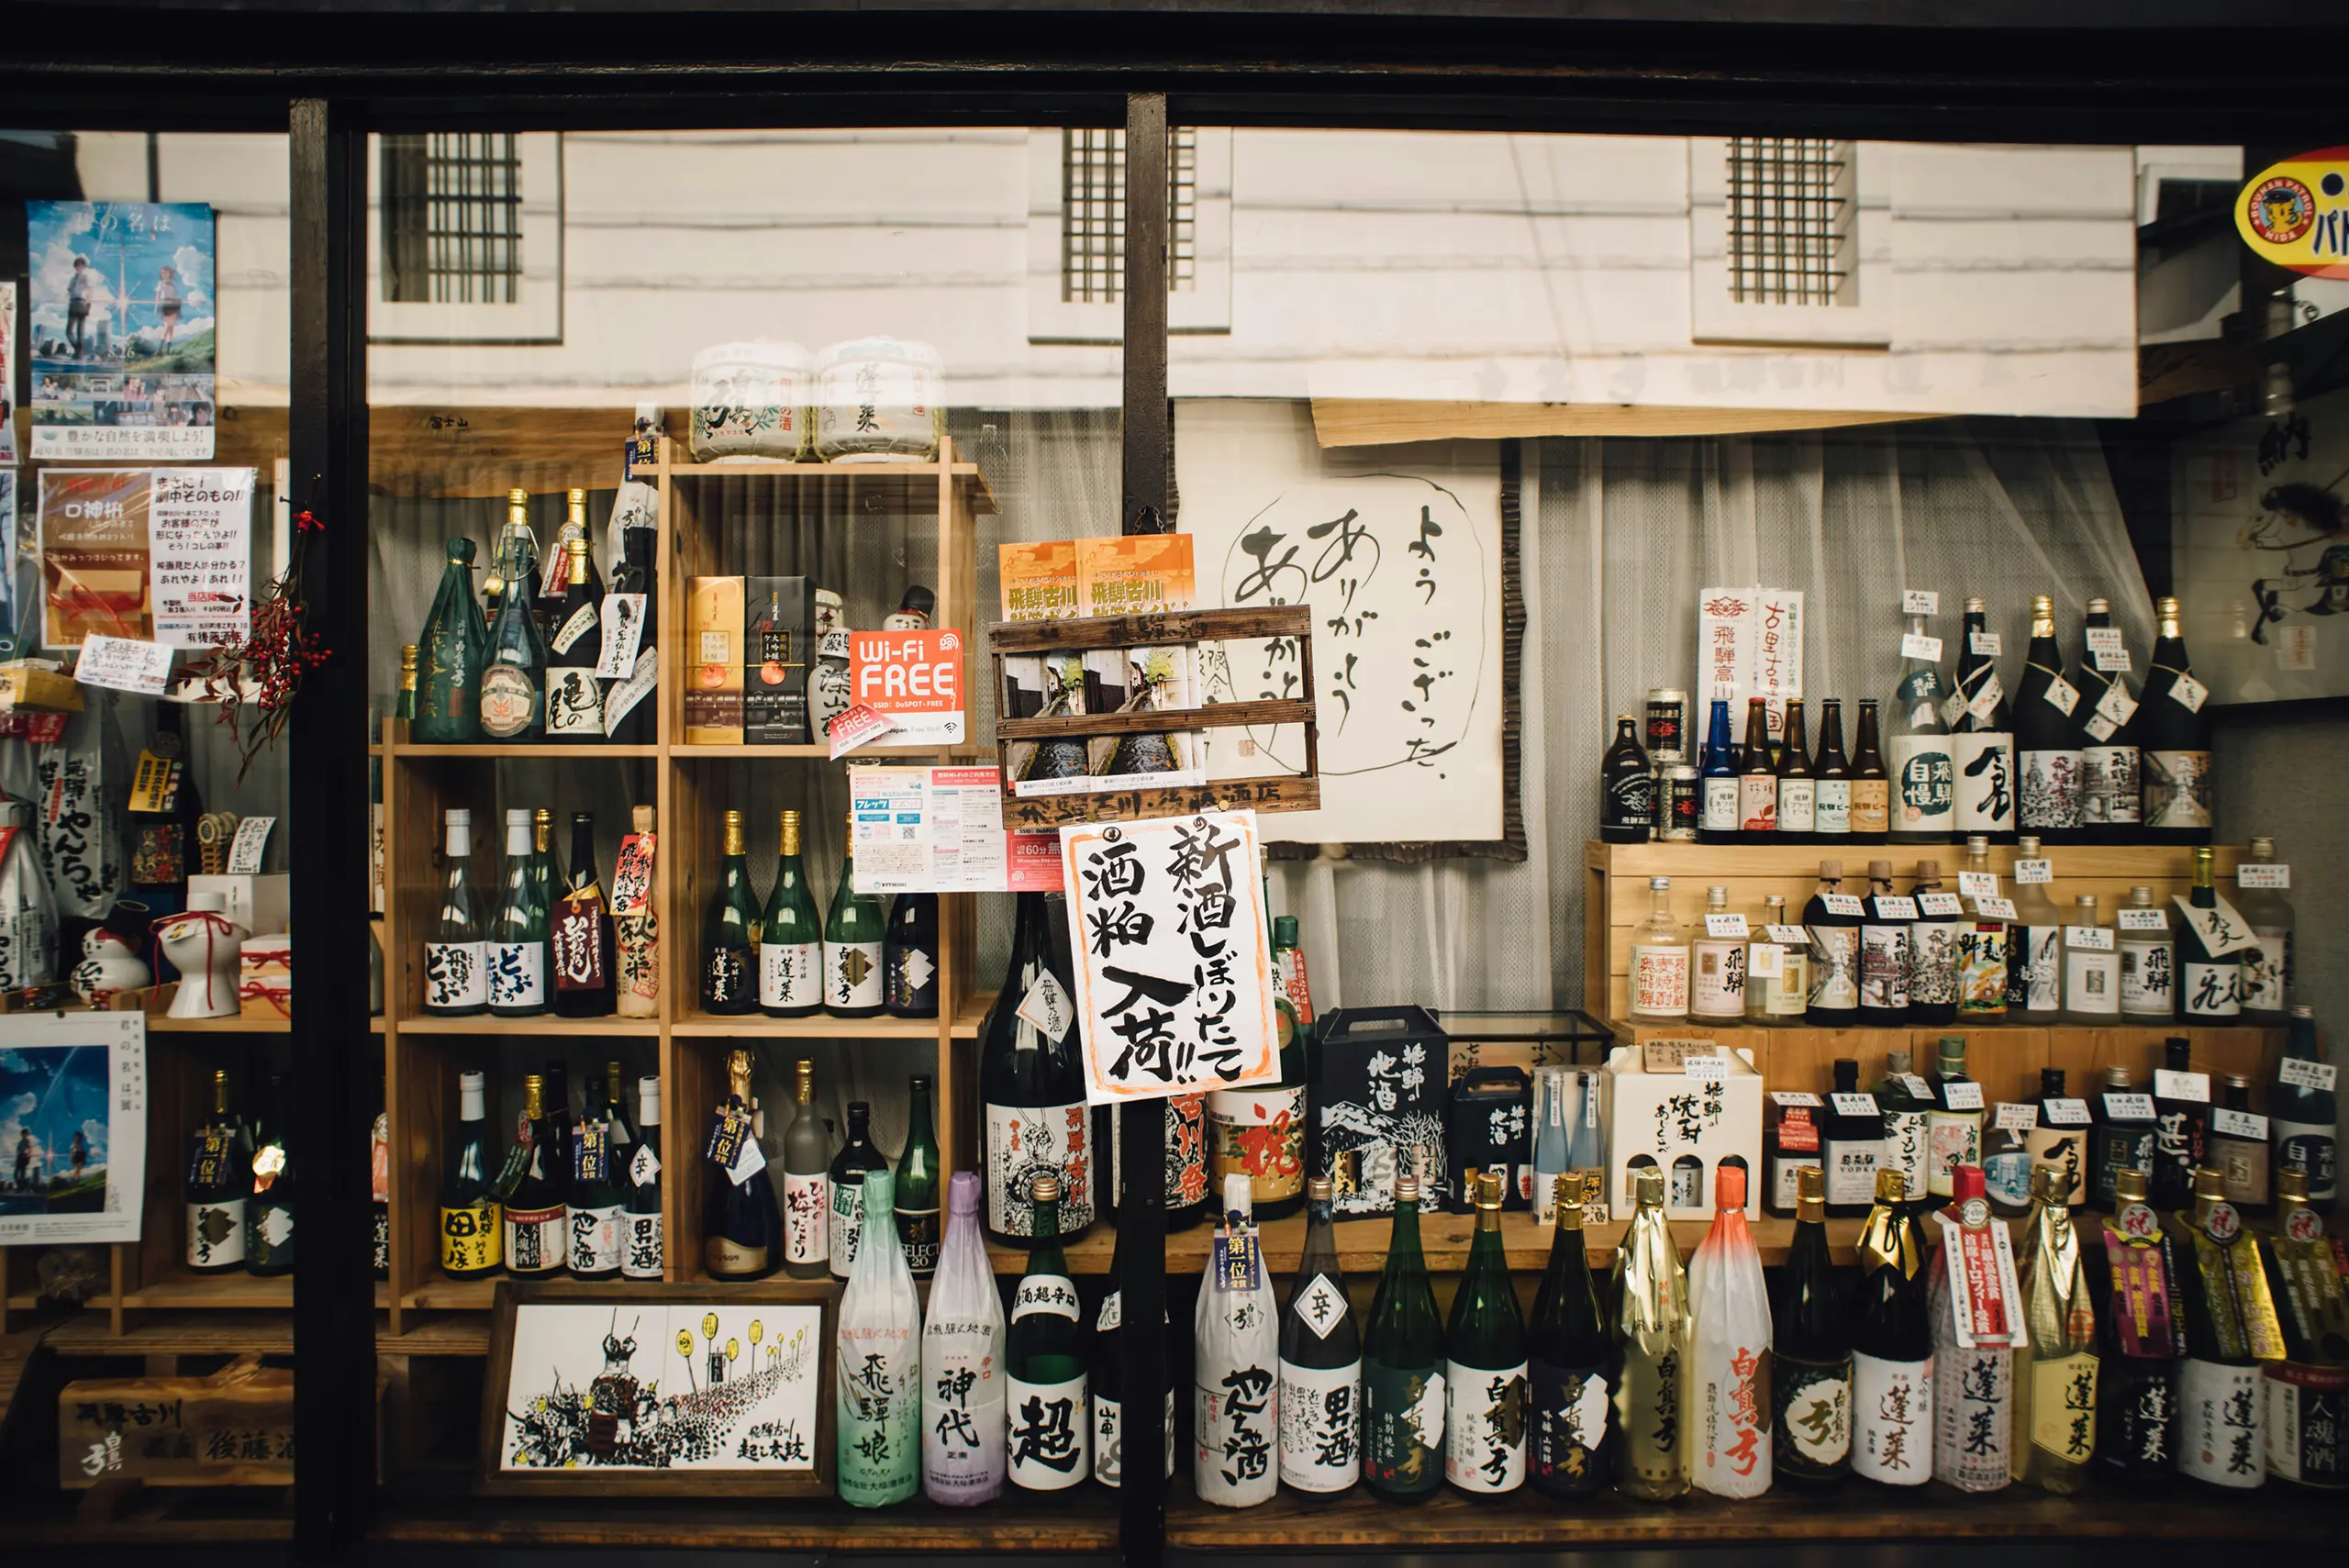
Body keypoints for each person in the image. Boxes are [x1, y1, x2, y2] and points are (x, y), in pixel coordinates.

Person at [65, 255, 93, 358]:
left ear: (84, 267)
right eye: (77, 266)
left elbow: (90, 290)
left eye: (81, 266)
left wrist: (89, 303)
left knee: (80, 332)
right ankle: (79, 350)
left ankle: (79, 353)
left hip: (81, 303)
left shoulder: (85, 277)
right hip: (73, 303)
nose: (79, 268)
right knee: (68, 332)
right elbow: (69, 291)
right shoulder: (73, 278)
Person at [155, 264, 182, 350]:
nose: (164, 275)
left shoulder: (172, 283)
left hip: (173, 305)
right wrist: (156, 306)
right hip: (166, 305)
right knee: (167, 327)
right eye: (162, 273)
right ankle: (160, 349)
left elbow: (174, 295)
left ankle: (167, 350)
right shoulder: (161, 283)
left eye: (165, 273)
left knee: (171, 328)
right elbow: (158, 295)